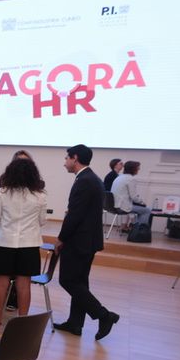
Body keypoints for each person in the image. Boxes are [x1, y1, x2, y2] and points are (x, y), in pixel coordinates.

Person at [54, 144, 120, 339]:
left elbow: (75, 215)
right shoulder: (92, 178)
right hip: (88, 240)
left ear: (75, 158)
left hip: (79, 241)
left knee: (68, 280)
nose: (64, 162)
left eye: (66, 158)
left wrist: (61, 238)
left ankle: (104, 315)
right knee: (80, 282)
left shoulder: (84, 181)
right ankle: (75, 323)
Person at [0, 158, 48, 335]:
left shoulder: (1, 193)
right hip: (29, 244)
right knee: (24, 285)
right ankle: (22, 326)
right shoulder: (40, 196)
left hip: (4, 242)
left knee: (0, 284)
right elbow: (42, 221)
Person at [110, 161, 150, 227]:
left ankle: (135, 228)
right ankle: (140, 231)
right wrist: (142, 202)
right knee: (147, 210)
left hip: (115, 205)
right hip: (123, 207)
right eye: (138, 168)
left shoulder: (119, 177)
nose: (139, 169)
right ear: (133, 169)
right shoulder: (131, 179)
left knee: (141, 210)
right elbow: (134, 197)